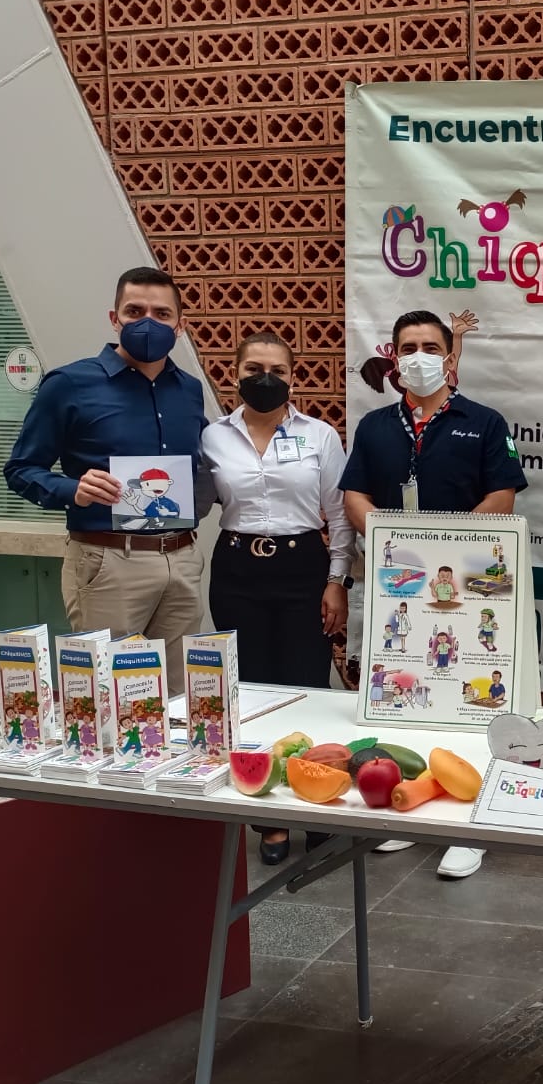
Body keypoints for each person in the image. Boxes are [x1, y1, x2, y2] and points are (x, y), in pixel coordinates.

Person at [341, 308, 527, 878]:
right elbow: (354, 496)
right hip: (398, 588)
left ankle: (472, 824)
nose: (417, 356)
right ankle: (416, 806)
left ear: (448, 357)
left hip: (472, 590)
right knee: (409, 697)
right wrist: (392, 543)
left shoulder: (484, 422)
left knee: (470, 701)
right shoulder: (375, 426)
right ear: (393, 358)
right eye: (407, 347)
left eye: (429, 346)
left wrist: (443, 546)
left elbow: (502, 496)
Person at [5, 267, 210, 677]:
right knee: (112, 692)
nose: (148, 322)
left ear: (180, 325)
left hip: (182, 557)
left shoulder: (189, 389)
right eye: (135, 311)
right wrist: (71, 490)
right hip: (109, 561)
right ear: (115, 319)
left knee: (178, 694)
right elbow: (21, 469)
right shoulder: (69, 384)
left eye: (162, 314)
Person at [200, 330, 354, 866]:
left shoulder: (319, 435)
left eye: (278, 371)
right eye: (254, 369)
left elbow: (339, 514)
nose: (266, 379)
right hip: (236, 570)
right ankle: (269, 819)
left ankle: (317, 802)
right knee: (251, 690)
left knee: (307, 686)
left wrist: (337, 580)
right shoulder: (213, 437)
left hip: (302, 568)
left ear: (293, 376)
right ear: (235, 373)